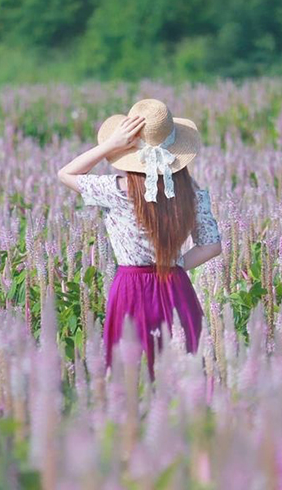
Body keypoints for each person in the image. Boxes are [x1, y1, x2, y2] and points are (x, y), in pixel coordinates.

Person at [58, 98, 222, 378]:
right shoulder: (191, 193)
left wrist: (109, 146)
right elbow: (212, 246)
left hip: (131, 289)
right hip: (175, 286)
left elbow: (66, 173)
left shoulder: (116, 190)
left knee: (131, 377)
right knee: (184, 375)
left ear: (129, 152)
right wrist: (175, 263)